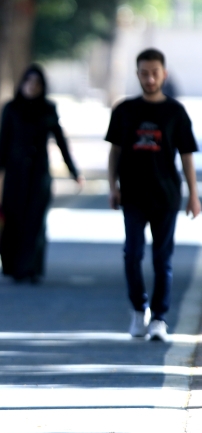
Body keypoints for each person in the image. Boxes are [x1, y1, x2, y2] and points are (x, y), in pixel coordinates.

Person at [106, 48, 200, 341]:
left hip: (166, 196)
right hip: (132, 196)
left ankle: (159, 317)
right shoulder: (124, 110)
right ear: (138, 74)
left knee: (163, 259)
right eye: (144, 73)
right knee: (132, 254)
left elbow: (186, 156)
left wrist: (193, 195)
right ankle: (138, 310)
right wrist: (113, 186)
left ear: (164, 74)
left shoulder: (175, 112)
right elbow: (115, 152)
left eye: (155, 73)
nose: (150, 78)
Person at [0, 64, 83, 284]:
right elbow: (2, 145)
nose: (32, 87)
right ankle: (13, 267)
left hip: (39, 175)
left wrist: (74, 172)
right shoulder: (10, 109)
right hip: (15, 174)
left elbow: (60, 141)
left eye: (37, 83)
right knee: (14, 220)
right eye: (28, 82)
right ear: (22, 83)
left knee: (35, 222)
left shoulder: (48, 109)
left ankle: (31, 268)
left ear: (42, 86)